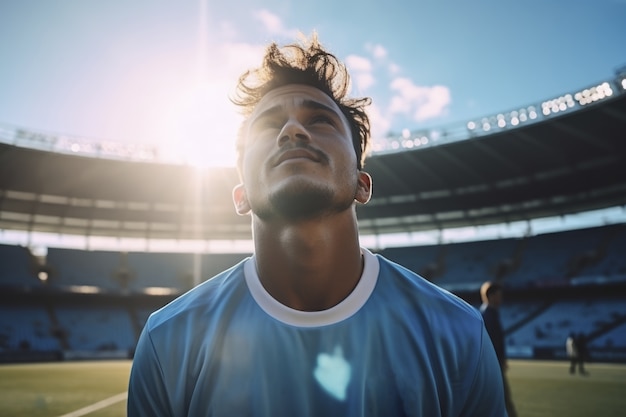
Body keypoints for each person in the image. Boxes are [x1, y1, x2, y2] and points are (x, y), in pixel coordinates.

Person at [128, 34, 506, 417]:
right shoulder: (168, 340)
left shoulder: (459, 334)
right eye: (268, 125)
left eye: (321, 120)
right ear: (239, 195)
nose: (292, 131)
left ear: (362, 183)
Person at [480, 281, 518, 417]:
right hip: (492, 364)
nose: (501, 299)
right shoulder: (487, 316)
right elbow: (491, 343)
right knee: (504, 398)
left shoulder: (490, 314)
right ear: (491, 296)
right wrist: (498, 361)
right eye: (499, 295)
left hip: (494, 363)